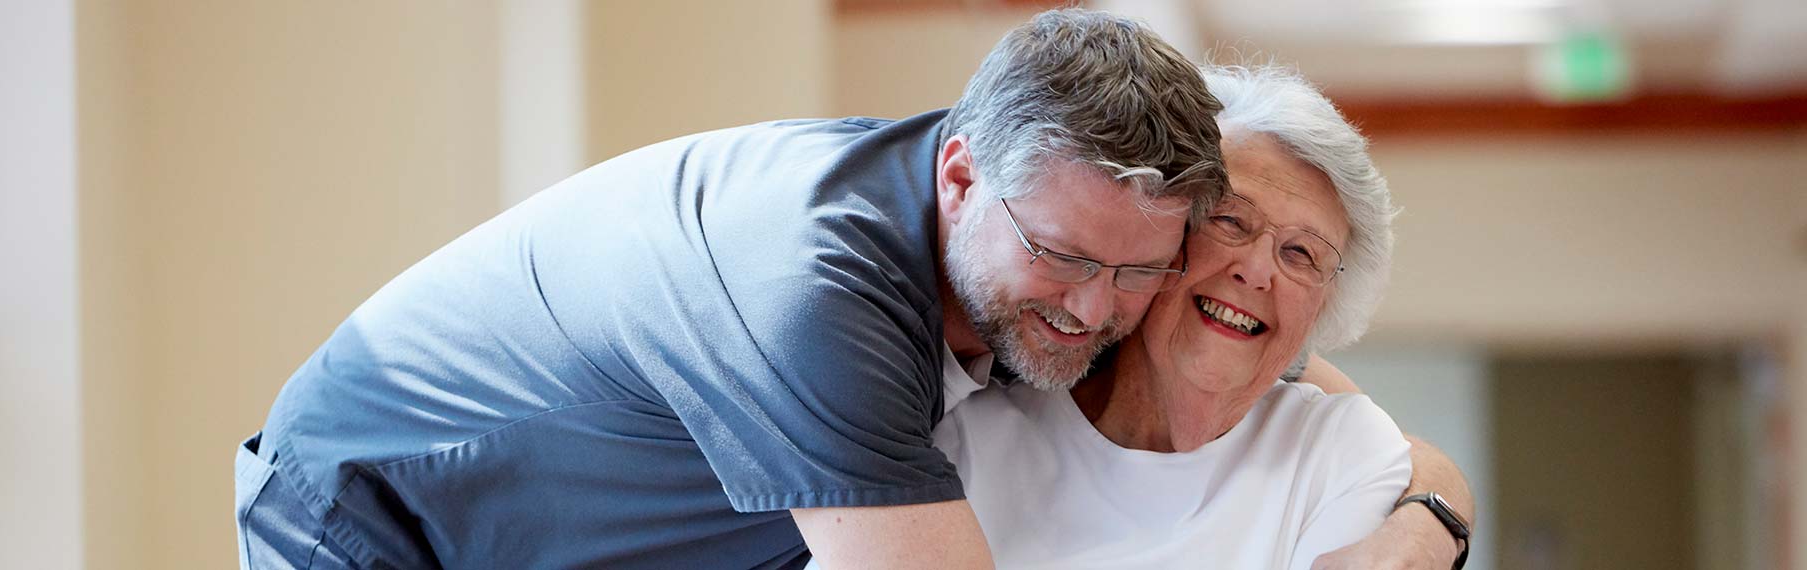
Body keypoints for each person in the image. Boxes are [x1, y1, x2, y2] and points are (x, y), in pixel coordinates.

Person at [235, 9, 1229, 569]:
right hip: (384, 516)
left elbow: (1251, 344)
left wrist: (1392, 487)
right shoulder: (809, 281)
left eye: (1141, 270)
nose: (1098, 310)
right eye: (1064, 257)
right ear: (961, 176)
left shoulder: (1031, 244)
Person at [932, 65, 1441, 569]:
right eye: (1230, 220)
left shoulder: (1340, 452)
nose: (1258, 270)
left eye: (1302, 254)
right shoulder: (971, 434)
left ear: (1325, 303)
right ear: (1157, 235)